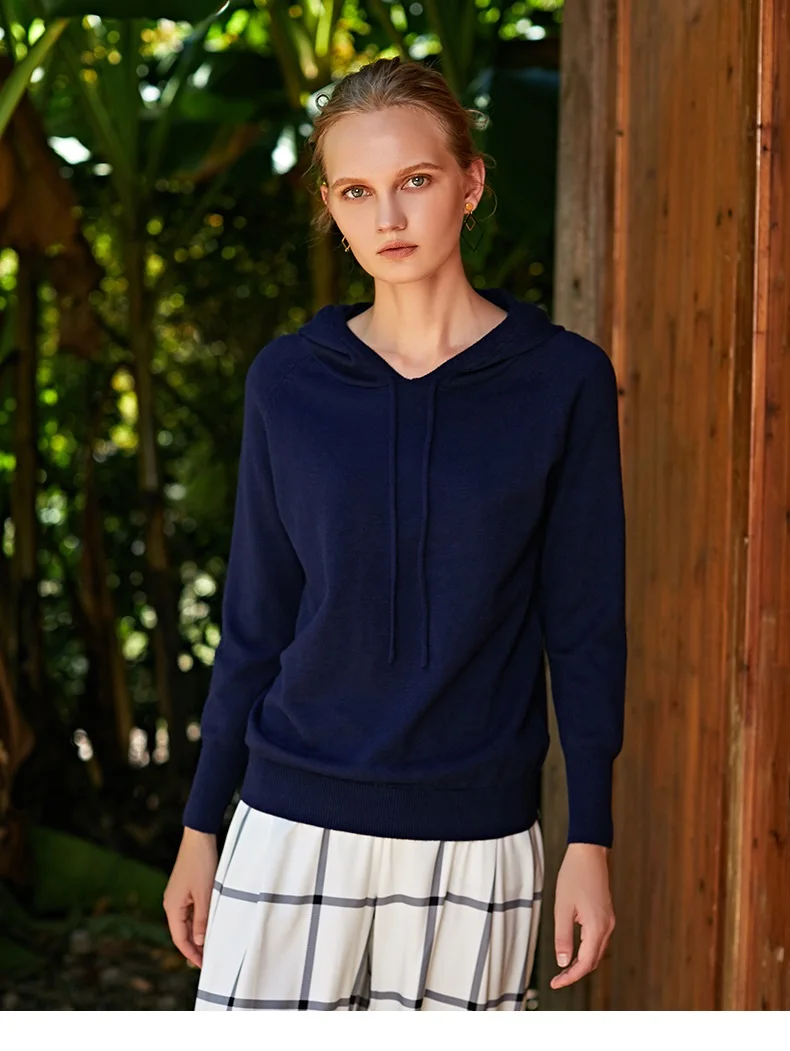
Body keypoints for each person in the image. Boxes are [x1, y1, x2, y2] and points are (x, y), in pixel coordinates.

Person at [163, 55, 626, 1012]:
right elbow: (255, 621)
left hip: (478, 840)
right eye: (356, 191)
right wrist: (201, 825)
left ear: (471, 182)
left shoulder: (563, 381)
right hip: (287, 822)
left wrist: (590, 835)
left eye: (415, 179)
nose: (388, 217)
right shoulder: (287, 382)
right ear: (330, 206)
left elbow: (584, 626)